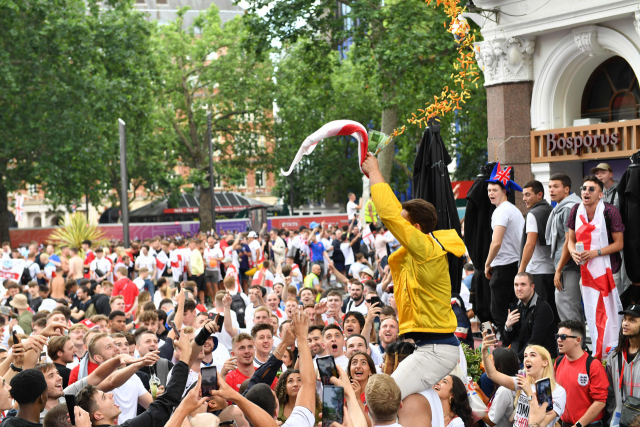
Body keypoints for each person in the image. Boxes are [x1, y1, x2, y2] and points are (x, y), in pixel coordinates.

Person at [362, 151, 466, 399]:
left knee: (382, 398)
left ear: (416, 230)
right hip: (429, 347)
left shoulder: (427, 249)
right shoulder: (418, 253)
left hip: (436, 350)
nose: (396, 230)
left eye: (403, 226)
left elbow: (389, 214)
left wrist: (375, 173)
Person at [75, 331, 194, 427]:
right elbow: (111, 382)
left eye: (119, 345)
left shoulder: (134, 377)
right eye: (110, 346)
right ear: (98, 357)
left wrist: (158, 398)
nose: (118, 349)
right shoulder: (94, 388)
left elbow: (156, 408)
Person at [567, 175, 624, 357]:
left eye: (591, 189)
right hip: (586, 274)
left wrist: (596, 252)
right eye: (584, 188)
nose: (586, 192)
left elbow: (619, 244)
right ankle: (597, 353)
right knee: (591, 312)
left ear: (600, 194)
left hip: (608, 271)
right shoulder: (576, 210)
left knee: (610, 313)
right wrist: (573, 252)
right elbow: (570, 240)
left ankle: (613, 352)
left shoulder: (609, 211)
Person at [482, 330, 566, 427]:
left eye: (533, 355)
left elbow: (540, 425)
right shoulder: (522, 382)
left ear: (545, 362)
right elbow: (492, 374)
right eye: (525, 356)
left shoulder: (556, 391)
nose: (527, 359)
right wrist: (484, 351)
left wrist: (529, 393)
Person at [484, 164, 525, 334]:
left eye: (494, 190)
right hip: (514, 265)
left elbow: (496, 243)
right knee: (512, 311)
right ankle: (513, 347)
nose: (491, 193)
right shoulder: (514, 210)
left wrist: (487, 264)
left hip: (503, 266)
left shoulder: (500, 212)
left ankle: (506, 349)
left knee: (499, 313)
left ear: (504, 191)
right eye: (489, 190)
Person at [554, 320, 608, 427]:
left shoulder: (593, 365)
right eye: (557, 336)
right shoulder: (558, 361)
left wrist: (579, 425)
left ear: (578, 340)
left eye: (563, 337)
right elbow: (553, 393)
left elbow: (600, 402)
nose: (559, 340)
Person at [545, 173, 583, 323]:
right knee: (570, 309)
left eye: (556, 186)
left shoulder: (568, 209)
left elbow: (569, 242)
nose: (551, 190)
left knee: (568, 310)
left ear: (566, 189)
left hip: (568, 267)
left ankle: (575, 345)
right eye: (549, 187)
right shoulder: (563, 207)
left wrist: (558, 269)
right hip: (565, 266)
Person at [519, 180, 556, 314]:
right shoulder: (551, 210)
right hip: (553, 270)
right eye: (524, 195)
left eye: (528, 195)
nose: (524, 199)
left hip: (537, 271)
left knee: (538, 314)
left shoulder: (533, 214)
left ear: (539, 194)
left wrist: (521, 271)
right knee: (552, 313)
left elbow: (530, 244)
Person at [503, 272, 557, 362]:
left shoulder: (542, 308)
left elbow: (535, 341)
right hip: (523, 357)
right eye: (516, 285)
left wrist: (515, 360)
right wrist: (508, 327)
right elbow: (511, 339)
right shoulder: (518, 306)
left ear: (532, 287)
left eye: (523, 284)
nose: (519, 288)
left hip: (540, 360)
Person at [606, 304, 640, 420]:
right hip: (618, 419)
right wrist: (613, 413)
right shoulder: (614, 356)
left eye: (632, 320)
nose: (625, 323)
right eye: (624, 319)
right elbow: (609, 391)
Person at [479, 347, 519, 427]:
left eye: (492, 360)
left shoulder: (504, 390)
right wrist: (479, 391)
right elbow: (493, 406)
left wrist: (474, 407)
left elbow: (491, 421)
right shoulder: (517, 381)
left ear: (499, 367)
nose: (489, 363)